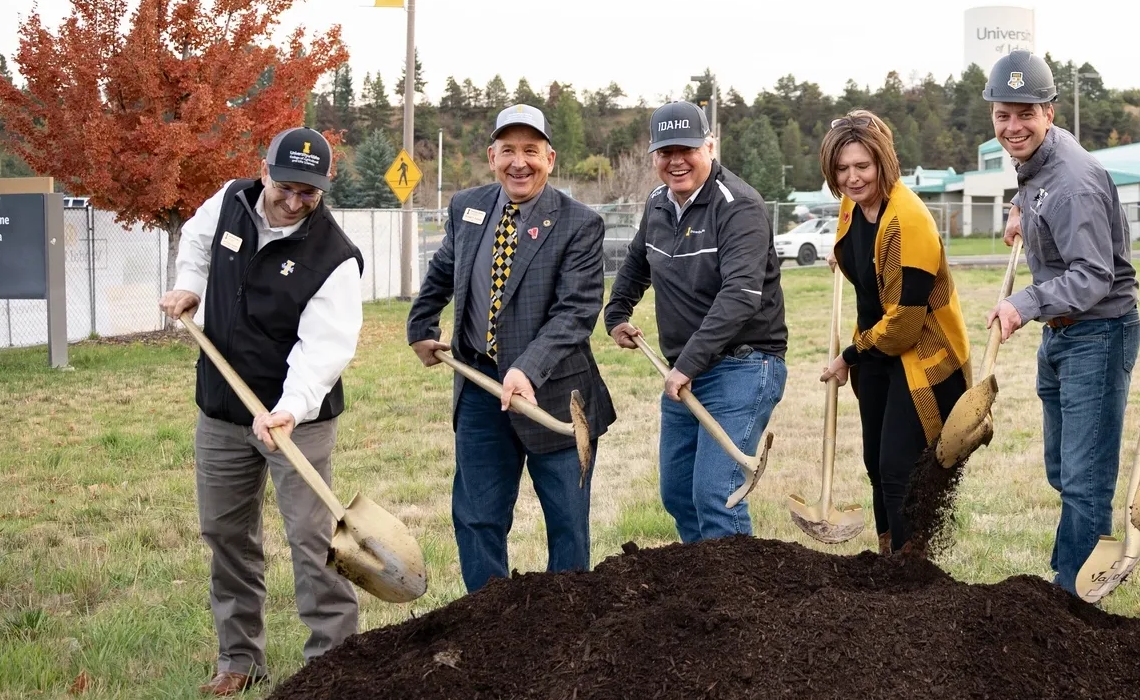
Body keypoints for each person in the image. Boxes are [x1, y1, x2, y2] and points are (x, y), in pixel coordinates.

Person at [159, 127, 364, 698]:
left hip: (298, 417)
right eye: (288, 188)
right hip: (223, 410)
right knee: (226, 532)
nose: (296, 203)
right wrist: (189, 288)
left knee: (311, 536)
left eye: (311, 194)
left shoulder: (335, 256)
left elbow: (324, 348)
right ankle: (240, 659)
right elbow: (196, 246)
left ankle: (333, 665)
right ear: (264, 171)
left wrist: (290, 410)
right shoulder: (227, 202)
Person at [408, 104, 616, 592]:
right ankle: (487, 623)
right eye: (508, 151)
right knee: (477, 517)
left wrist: (526, 369)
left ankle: (564, 625)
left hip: (555, 397)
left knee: (566, 524)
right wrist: (421, 322)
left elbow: (576, 313)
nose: (518, 163)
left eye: (530, 151)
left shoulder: (579, 224)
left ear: (550, 157)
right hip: (480, 386)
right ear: (491, 156)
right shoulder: (468, 207)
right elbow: (443, 271)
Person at [985, 50, 1140, 591]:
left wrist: (1022, 303)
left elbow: (1094, 275)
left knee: (1084, 476)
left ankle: (1076, 592)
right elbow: (1042, 186)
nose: (1013, 126)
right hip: (1064, 334)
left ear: (1049, 112)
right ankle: (1072, 575)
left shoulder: (1072, 180)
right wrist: (1020, 208)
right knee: (1062, 467)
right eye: (1003, 114)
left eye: (1025, 113)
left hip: (1097, 333)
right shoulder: (1043, 163)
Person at [605, 101, 788, 540]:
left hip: (742, 365)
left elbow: (741, 296)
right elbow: (635, 264)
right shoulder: (657, 203)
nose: (676, 161)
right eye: (665, 152)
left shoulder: (738, 206)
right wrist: (616, 314)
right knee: (678, 494)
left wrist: (687, 364)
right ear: (654, 156)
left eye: (686, 148)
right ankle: (702, 594)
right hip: (687, 370)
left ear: (710, 145)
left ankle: (738, 599)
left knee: (715, 494)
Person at [816, 110, 969, 553]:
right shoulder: (853, 206)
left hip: (924, 357)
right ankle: (891, 559)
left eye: (862, 166)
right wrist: (841, 258)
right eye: (842, 169)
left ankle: (914, 570)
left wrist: (848, 356)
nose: (853, 178)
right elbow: (864, 254)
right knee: (876, 465)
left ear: (883, 162)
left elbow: (904, 324)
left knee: (900, 466)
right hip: (879, 355)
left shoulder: (909, 222)